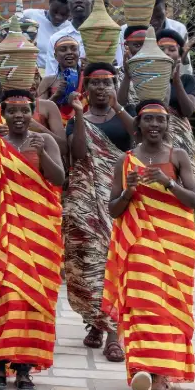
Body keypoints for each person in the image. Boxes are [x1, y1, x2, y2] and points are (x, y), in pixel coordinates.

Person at [104, 100, 195, 390]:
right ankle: (142, 369)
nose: (154, 125)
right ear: (138, 124)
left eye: (160, 119)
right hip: (139, 242)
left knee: (168, 306)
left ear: (167, 125)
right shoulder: (125, 161)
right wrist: (129, 191)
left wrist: (167, 181)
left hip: (174, 246)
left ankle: (161, 371)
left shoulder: (178, 156)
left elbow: (193, 200)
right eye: (148, 119)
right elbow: (113, 209)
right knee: (143, 303)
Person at [0, 90, 66, 390]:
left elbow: (59, 179)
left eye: (25, 110)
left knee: (33, 299)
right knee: (8, 294)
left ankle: (25, 367)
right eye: (13, 111)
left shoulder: (45, 141)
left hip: (40, 231)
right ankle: (0, 364)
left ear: (32, 113)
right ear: (2, 114)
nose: (19, 116)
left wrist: (43, 155)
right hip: (4, 231)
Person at [63, 62, 136, 362]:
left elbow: (140, 137)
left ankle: (113, 335)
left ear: (114, 85)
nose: (102, 88)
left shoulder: (125, 115)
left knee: (115, 262)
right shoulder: (76, 120)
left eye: (107, 82)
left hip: (118, 196)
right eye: (96, 82)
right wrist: (79, 115)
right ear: (87, 87)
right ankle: (95, 321)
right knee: (87, 261)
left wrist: (119, 107)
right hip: (85, 201)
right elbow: (79, 153)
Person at [157, 28, 195, 179]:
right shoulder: (146, 80)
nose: (166, 53)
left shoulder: (187, 80)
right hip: (153, 136)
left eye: (172, 49)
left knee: (183, 180)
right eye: (161, 49)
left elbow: (188, 111)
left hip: (181, 139)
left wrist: (177, 82)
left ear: (179, 55)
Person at [37, 35, 86, 126]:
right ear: (55, 56)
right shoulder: (48, 81)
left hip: (84, 128)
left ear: (79, 53)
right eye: (63, 50)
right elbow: (38, 114)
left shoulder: (87, 78)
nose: (69, 52)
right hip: (56, 129)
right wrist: (56, 96)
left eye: (73, 49)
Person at [22, 0, 72, 72]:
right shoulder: (29, 16)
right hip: (29, 74)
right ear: (49, 2)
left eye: (64, 14)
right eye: (55, 11)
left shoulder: (70, 30)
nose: (58, 17)